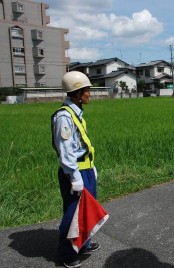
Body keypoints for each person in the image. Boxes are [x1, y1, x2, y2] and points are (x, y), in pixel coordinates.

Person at [51, 71, 100, 268]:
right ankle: (66, 254)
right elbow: (66, 151)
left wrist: (91, 167)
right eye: (87, 90)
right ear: (76, 93)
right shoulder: (64, 117)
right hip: (75, 174)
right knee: (72, 214)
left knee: (87, 211)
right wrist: (74, 177)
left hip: (86, 170)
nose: (90, 94)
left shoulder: (77, 113)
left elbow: (80, 145)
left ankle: (83, 244)